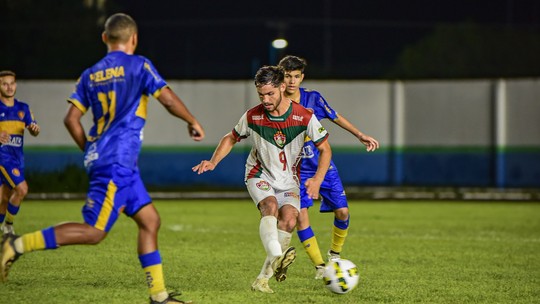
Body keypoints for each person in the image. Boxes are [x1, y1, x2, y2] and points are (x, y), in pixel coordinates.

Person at [0, 13, 205, 304]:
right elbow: (168, 98)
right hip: (117, 161)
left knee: (150, 221)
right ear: (133, 39)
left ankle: (158, 296)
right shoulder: (139, 65)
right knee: (94, 231)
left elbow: (71, 119)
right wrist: (191, 120)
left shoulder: (90, 74)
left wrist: (90, 150)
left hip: (113, 161)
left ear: (105, 39)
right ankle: (16, 244)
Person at [192, 65, 332, 293]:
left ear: (282, 87)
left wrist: (317, 179)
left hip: (289, 180)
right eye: (261, 94)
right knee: (270, 206)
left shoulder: (304, 117)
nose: (265, 100)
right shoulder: (253, 115)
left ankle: (262, 279)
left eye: (270, 94)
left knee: (288, 220)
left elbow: (325, 149)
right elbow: (231, 137)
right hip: (259, 173)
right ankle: (277, 252)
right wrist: (213, 161)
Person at [277, 55, 379, 279]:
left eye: (296, 76)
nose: (292, 81)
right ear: (281, 78)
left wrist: (360, 135)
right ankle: (320, 267)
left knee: (342, 211)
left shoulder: (313, 99)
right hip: (295, 172)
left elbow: (335, 117)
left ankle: (334, 255)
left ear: (302, 77)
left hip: (322, 166)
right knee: (301, 216)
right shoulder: (276, 103)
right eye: (287, 76)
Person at [0, 70, 40, 236]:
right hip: (3, 157)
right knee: (22, 189)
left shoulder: (23, 108)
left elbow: (34, 130)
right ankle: (8, 225)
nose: (9, 87)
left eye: (12, 83)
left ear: (15, 85)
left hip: (18, 158)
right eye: (4, 84)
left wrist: (34, 129)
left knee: (4, 199)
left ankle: (4, 225)